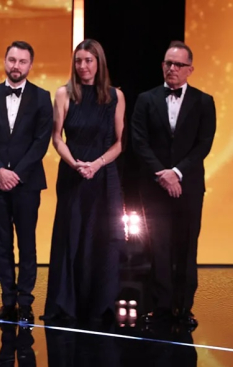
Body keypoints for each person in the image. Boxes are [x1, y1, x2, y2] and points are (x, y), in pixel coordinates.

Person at [131, 41, 216, 328]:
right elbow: (139, 142)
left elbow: (203, 144)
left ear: (190, 69)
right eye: (168, 63)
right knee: (158, 247)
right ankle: (160, 307)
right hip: (154, 187)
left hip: (188, 186)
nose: (172, 68)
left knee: (186, 247)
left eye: (179, 64)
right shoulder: (145, 99)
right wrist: (162, 174)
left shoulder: (204, 102)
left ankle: (183, 307)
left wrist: (177, 172)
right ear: (162, 66)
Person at [41, 39, 125, 323]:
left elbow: (119, 143)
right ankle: (66, 305)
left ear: (99, 63)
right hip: (72, 173)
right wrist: (75, 164)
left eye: (88, 60)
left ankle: (100, 305)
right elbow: (56, 138)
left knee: (102, 237)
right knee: (71, 236)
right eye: (78, 60)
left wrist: (97, 164)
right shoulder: (64, 94)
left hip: (104, 176)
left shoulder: (115, 96)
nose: (83, 66)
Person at [0, 41, 53, 324]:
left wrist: (16, 173)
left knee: (27, 243)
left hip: (27, 183)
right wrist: (0, 170)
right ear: (4, 61)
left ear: (30, 65)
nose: (16, 66)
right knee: (2, 243)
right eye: (12, 60)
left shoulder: (42, 97)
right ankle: (7, 301)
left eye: (22, 61)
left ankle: (25, 302)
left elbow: (41, 142)